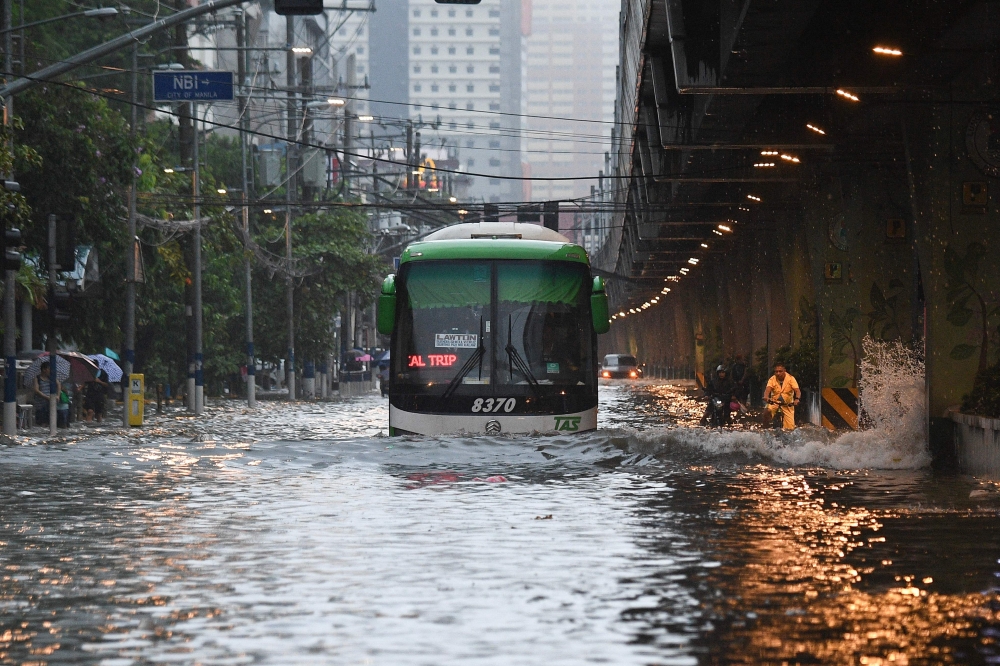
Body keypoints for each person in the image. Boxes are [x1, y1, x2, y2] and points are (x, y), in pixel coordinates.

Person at [763, 362, 801, 430]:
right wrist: (766, 397)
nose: (778, 373)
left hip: (787, 404)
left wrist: (797, 399)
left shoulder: (791, 379)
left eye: (780, 371)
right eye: (776, 371)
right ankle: (765, 428)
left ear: (784, 371)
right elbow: (767, 389)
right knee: (766, 412)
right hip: (774, 402)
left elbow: (797, 391)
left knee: (790, 428)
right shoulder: (772, 379)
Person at [32, 361, 60, 426]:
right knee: (42, 422)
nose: (50, 371)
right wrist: (46, 397)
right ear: (44, 369)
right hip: (40, 404)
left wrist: (58, 395)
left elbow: (58, 384)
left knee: (51, 421)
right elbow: (36, 390)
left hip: (50, 403)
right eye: (49, 369)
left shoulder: (51, 378)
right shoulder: (37, 378)